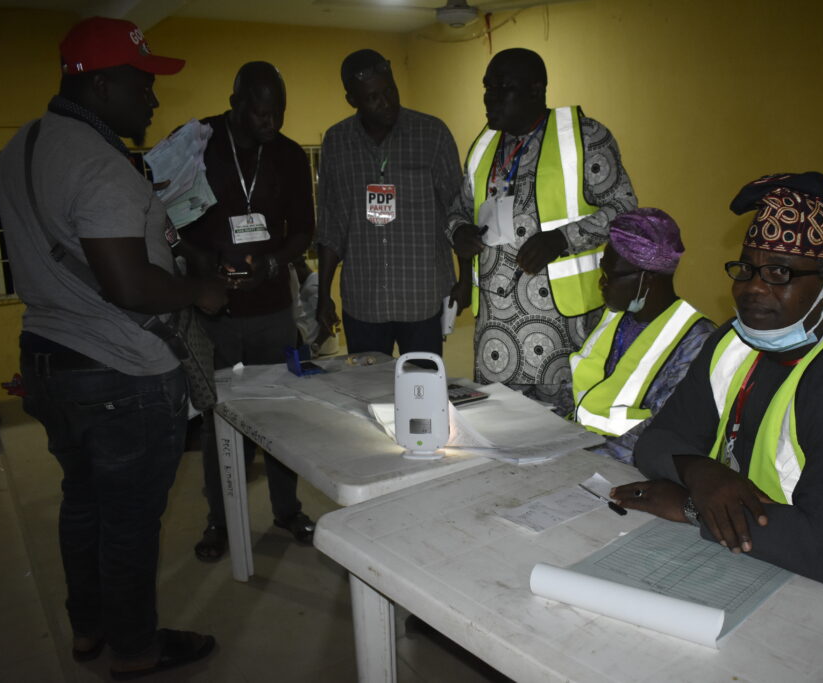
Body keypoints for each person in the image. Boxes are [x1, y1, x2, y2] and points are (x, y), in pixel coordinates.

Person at [0, 17, 223, 677]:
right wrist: (200, 291)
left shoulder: (22, 145)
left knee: (84, 502)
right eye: (141, 83)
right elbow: (129, 285)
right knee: (128, 521)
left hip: (49, 360)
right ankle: (134, 647)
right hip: (119, 374)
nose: (152, 98)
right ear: (98, 86)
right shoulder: (99, 163)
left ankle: (89, 629)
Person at [611, 172, 823, 587]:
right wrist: (702, 473)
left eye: (779, 272)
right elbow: (657, 441)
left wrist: (692, 506)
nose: (753, 288)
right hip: (761, 550)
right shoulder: (733, 341)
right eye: (747, 269)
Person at [176, 62, 315, 561]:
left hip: (272, 309)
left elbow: (304, 230)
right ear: (234, 103)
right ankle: (220, 518)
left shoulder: (289, 155)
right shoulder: (196, 145)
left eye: (279, 111)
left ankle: (287, 508)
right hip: (214, 313)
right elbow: (163, 217)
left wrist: (273, 262)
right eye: (259, 112)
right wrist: (199, 261)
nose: (271, 122)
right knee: (219, 422)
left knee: (279, 417)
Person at [447, 48, 638, 406]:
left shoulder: (583, 137)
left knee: (565, 428)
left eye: (502, 88)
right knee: (498, 424)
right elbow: (458, 209)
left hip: (563, 331)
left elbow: (624, 209)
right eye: (487, 87)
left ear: (536, 90)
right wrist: (459, 231)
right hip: (496, 335)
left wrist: (562, 239)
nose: (489, 97)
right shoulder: (484, 145)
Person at [315, 49, 468, 358]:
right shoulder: (336, 142)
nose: (386, 102)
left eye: (390, 90)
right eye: (373, 97)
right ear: (352, 100)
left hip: (422, 299)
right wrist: (323, 295)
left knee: (422, 386)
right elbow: (331, 224)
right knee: (368, 387)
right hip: (364, 302)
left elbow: (459, 210)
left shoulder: (432, 134)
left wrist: (466, 279)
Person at [566, 208, 714, 464]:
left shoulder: (697, 342)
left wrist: (576, 456)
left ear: (647, 280)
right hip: (580, 450)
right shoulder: (613, 317)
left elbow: (662, 433)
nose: (601, 284)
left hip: (628, 468)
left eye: (611, 276)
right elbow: (578, 389)